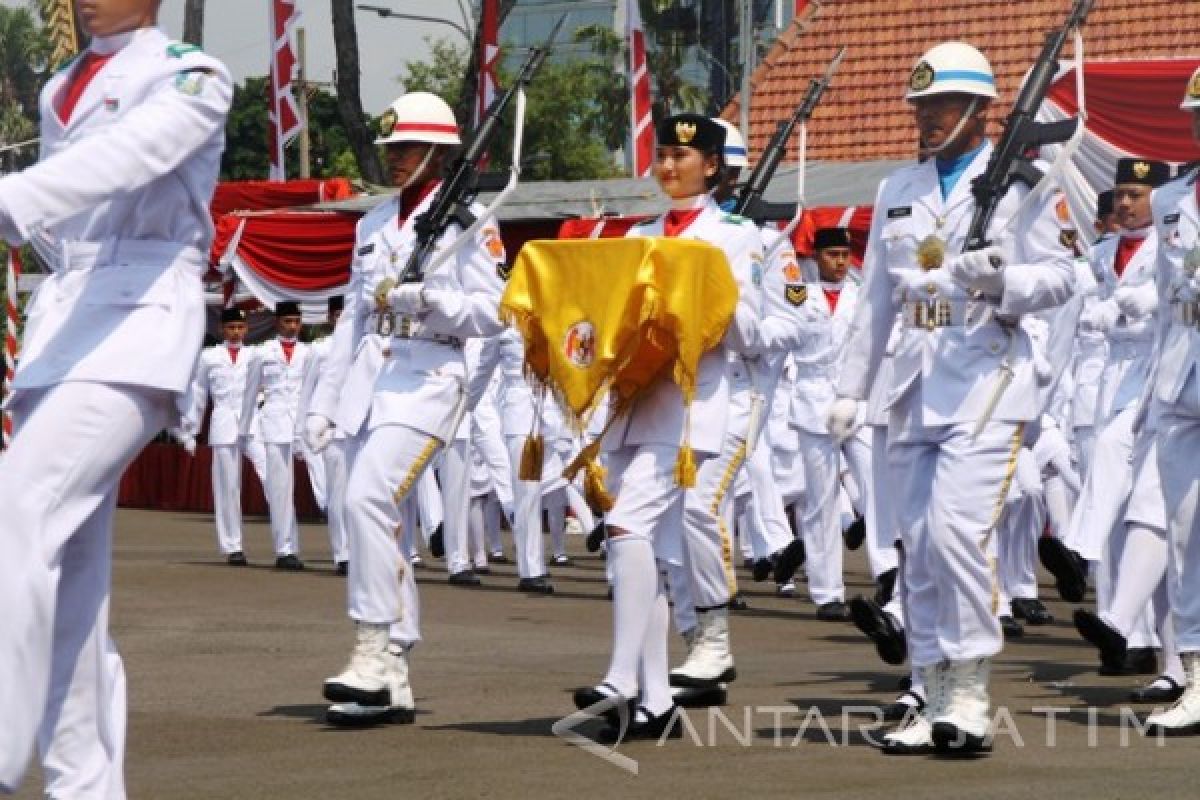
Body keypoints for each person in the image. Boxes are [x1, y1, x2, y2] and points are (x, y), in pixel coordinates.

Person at [0, 0, 231, 792]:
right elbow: (67, 225)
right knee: (69, 587)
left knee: (16, 512)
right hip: (62, 327)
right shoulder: (61, 83)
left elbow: (127, 158)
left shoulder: (193, 77)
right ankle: (85, 786)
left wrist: (15, 197)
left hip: (138, 320)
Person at [831, 42, 1075, 755]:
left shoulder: (1027, 182)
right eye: (920, 106)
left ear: (978, 111)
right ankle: (928, 692)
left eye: (940, 105)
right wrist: (851, 388)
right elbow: (877, 296)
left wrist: (1000, 280)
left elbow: (1064, 277)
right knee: (919, 549)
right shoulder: (896, 189)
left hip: (987, 383)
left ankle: (968, 692)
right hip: (910, 385)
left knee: (956, 536)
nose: (927, 117)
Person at [305, 91, 507, 725]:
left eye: (410, 150)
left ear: (440, 155)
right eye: (392, 149)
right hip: (374, 380)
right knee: (375, 516)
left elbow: (498, 312)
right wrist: (324, 400)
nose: (396, 160)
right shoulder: (372, 225)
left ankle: (371, 642)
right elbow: (354, 319)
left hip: (430, 380)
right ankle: (393, 668)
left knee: (368, 497)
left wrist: (434, 302)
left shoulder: (469, 223)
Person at [572, 114, 761, 740]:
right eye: (663, 154)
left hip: (690, 406)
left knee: (625, 526)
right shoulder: (639, 233)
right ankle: (656, 703)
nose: (669, 165)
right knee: (646, 549)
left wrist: (710, 303)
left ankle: (622, 678)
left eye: (684, 155)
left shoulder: (736, 235)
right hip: (633, 405)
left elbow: (763, 333)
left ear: (712, 165)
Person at [1144, 66, 1200, 735]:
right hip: (1182, 374)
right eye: (1195, 114)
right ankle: (1195, 674)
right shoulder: (1170, 200)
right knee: (1186, 535)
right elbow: (1165, 298)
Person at [179, 307, 267, 566]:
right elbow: (198, 395)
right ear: (222, 330)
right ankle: (233, 546)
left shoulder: (255, 355)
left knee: (272, 473)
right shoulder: (209, 357)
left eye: (240, 327)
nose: (236, 332)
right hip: (224, 421)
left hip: (252, 422)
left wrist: (262, 401)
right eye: (231, 327)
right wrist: (190, 431)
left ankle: (284, 538)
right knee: (228, 487)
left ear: (246, 330)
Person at [241, 301, 310, 570]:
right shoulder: (262, 353)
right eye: (287, 322)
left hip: (304, 424)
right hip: (275, 423)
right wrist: (244, 428)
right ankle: (285, 549)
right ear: (277, 323)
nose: (292, 327)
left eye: (296, 321)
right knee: (280, 488)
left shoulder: (309, 353)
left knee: (329, 484)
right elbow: (249, 394)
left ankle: (345, 553)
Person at [298, 295, 351, 574]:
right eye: (338, 314)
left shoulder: (367, 346)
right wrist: (302, 434)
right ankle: (343, 553)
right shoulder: (320, 351)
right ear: (331, 318)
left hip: (361, 430)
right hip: (333, 431)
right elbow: (306, 395)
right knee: (338, 495)